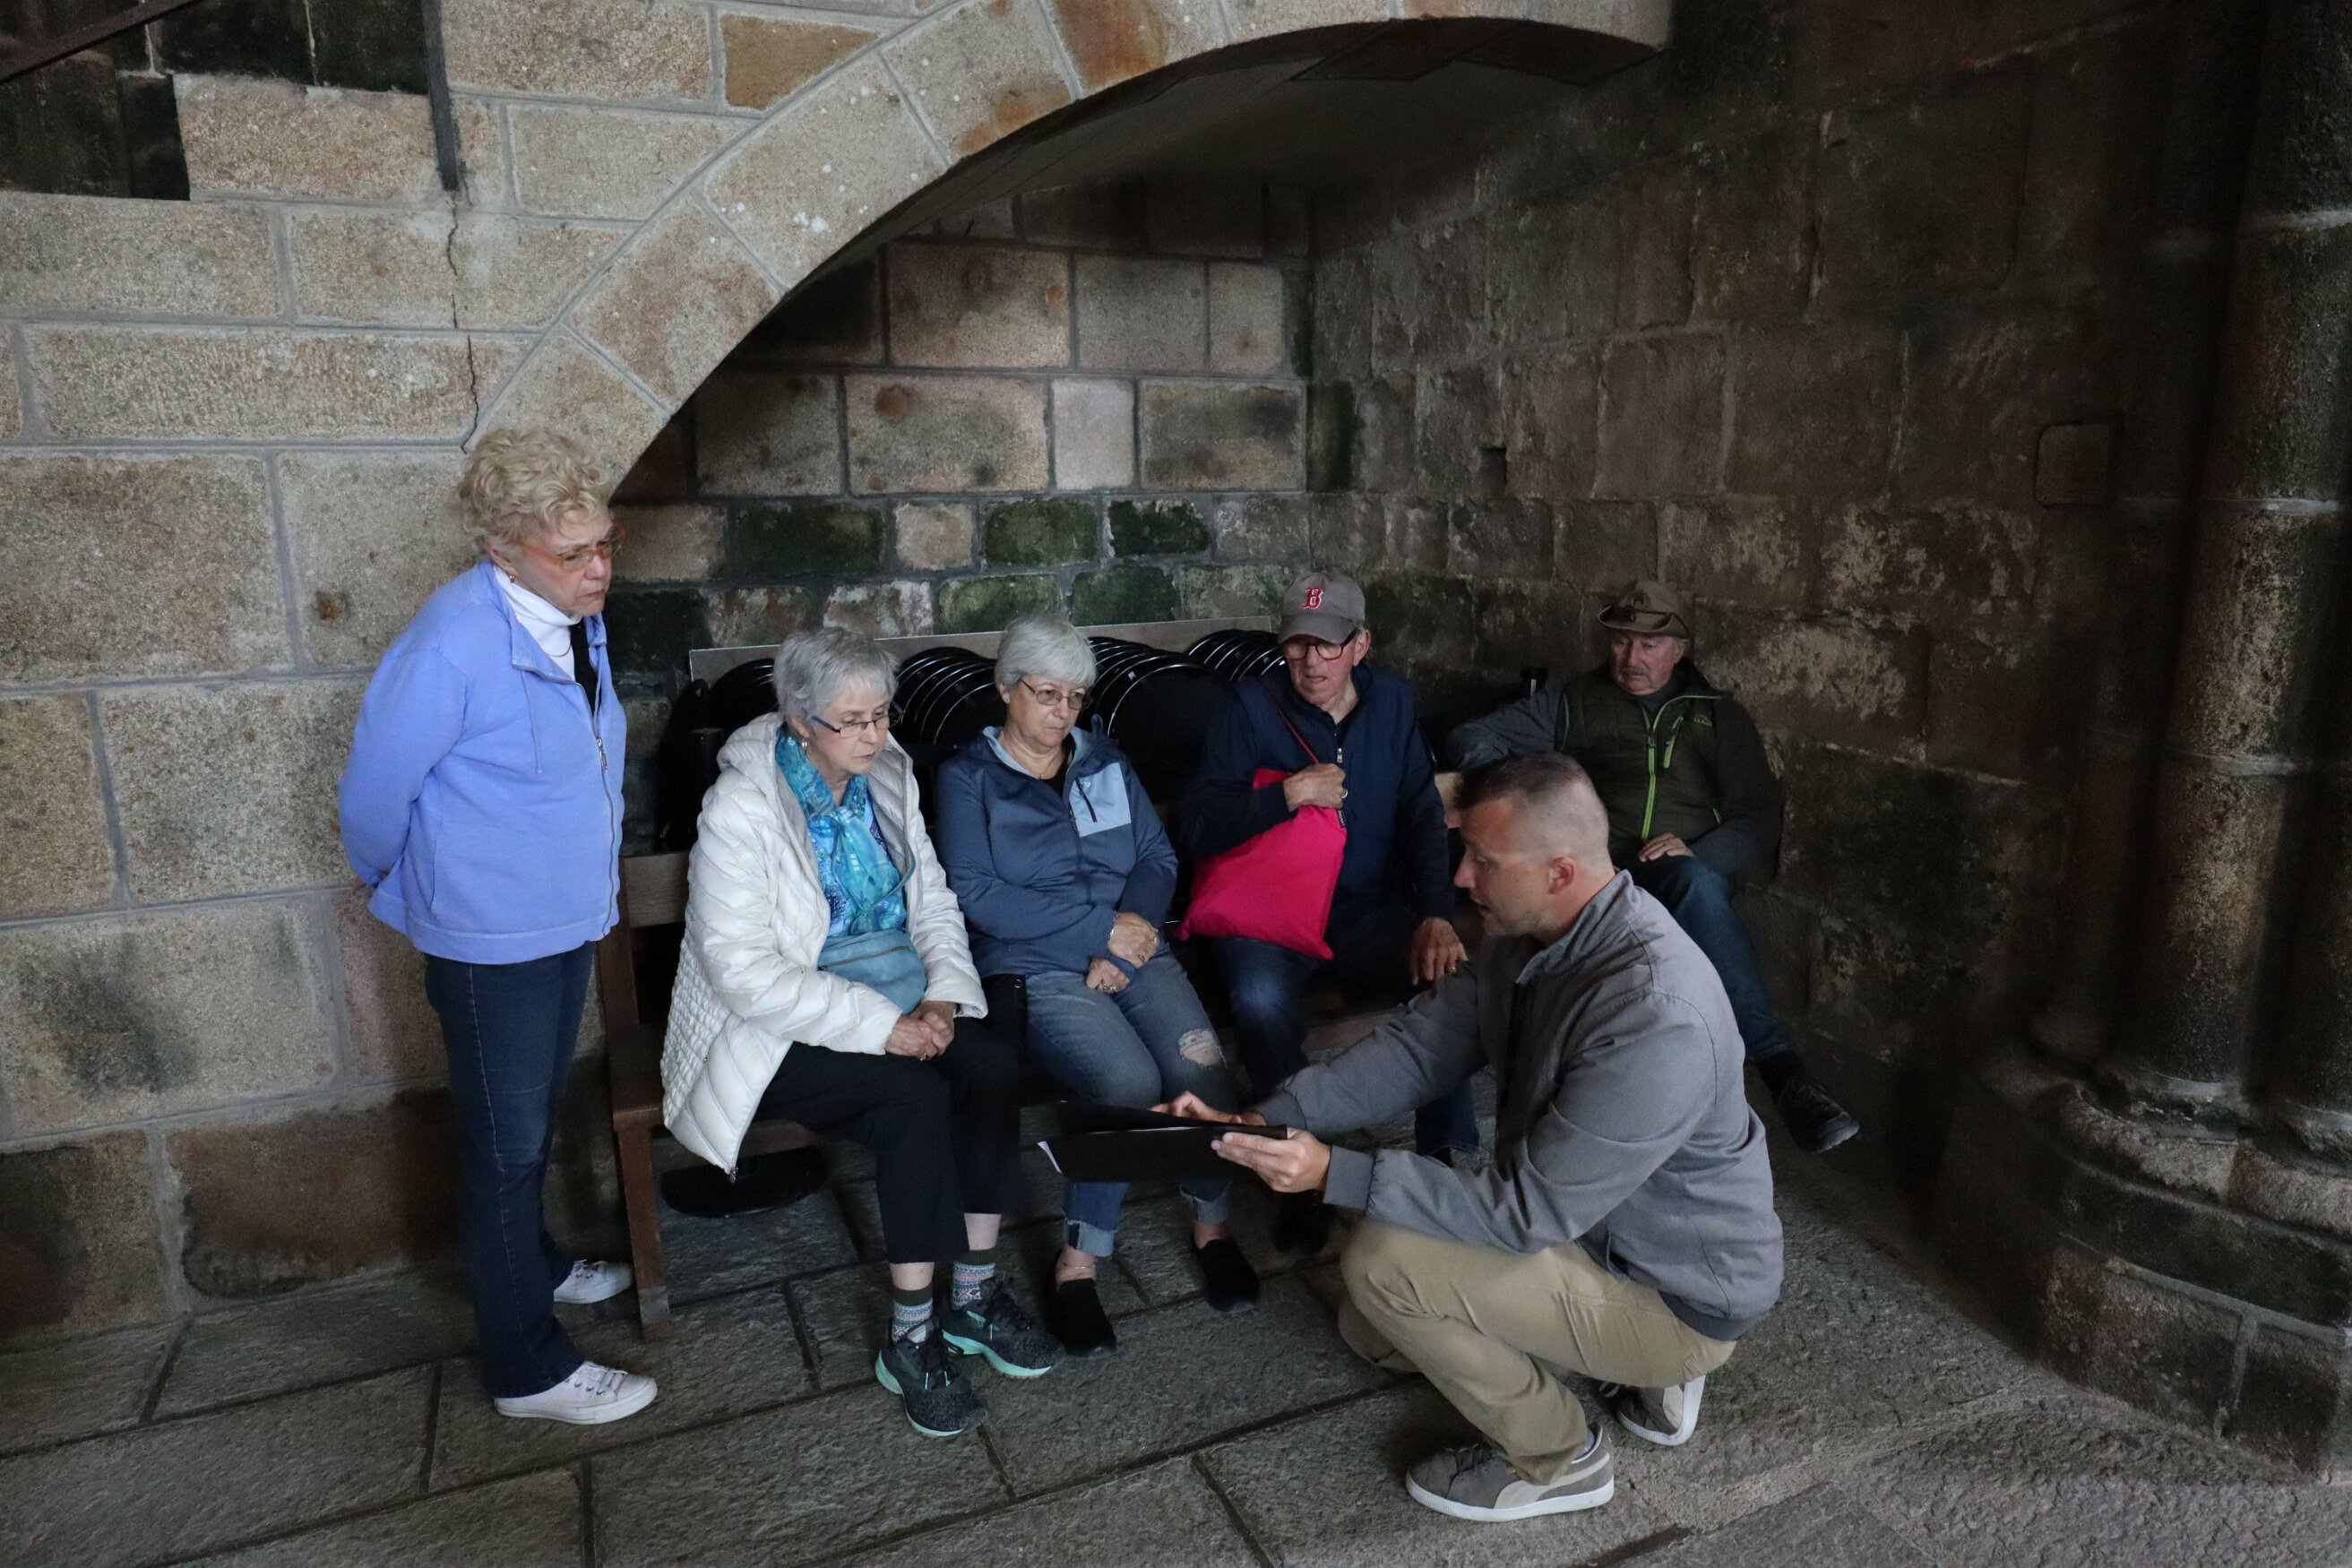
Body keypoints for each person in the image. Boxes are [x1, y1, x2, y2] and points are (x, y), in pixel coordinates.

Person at [1174, 753, 1783, 1522]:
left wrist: (1332, 1172)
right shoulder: (1532, 933)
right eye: (1463, 852)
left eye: (1483, 861)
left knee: (1385, 1263)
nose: (1460, 877)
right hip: (1592, 1226)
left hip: (1673, 1292)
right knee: (1371, 1329)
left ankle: (1560, 1457)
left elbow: (1525, 1213)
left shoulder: (1654, 1012)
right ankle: (1590, 1352)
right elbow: (1418, 1048)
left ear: (1559, 872)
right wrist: (1269, 1118)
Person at [661, 627, 1059, 1438]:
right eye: (852, 721)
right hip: (775, 1026)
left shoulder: (887, 775)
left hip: (901, 998)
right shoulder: (742, 806)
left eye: (882, 715)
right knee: (912, 1099)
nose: (874, 735)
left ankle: (973, 1295)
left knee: (989, 1063)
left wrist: (944, 997)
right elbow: (742, 972)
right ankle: (910, 1336)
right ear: (800, 720)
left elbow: (932, 900)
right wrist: (885, 1029)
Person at [339, 429, 656, 1426]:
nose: (599, 569)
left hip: (563, 914)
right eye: (572, 554)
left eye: (604, 544)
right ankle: (528, 1369)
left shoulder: (568, 616)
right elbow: (373, 797)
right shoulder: (451, 645)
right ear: (501, 551)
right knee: (505, 1146)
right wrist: (418, 885)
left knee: (528, 1112)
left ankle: (538, 1264)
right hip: (492, 936)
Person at [935, 616, 1261, 1356]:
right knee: (1123, 1080)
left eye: (1076, 697)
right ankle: (1079, 1262)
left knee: (1201, 1065)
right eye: (1046, 694)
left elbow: (1154, 857)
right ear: (1006, 689)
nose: (1063, 713)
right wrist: (1097, 931)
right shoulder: (967, 778)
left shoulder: (1103, 761)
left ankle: (1212, 1226)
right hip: (1035, 962)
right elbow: (976, 894)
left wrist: (1129, 939)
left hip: (1132, 948)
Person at [1447, 580, 1860, 1154]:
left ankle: (1783, 1073)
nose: (1631, 658)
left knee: (1692, 884)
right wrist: (1523, 794)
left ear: (1679, 650)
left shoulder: (1717, 718)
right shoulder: (1576, 701)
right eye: (1620, 642)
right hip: (1598, 864)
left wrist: (1700, 852)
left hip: (1682, 871)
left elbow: (1757, 817)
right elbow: (1475, 735)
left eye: (1649, 645)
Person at [1182, 570, 1478, 1256]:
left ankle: (1442, 1159)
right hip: (1269, 914)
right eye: (1295, 645)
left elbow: (1420, 814)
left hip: (1361, 909)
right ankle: (1298, 1174)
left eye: (1327, 645)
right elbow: (1197, 825)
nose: (1310, 661)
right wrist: (1284, 796)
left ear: (1360, 644)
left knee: (1450, 982)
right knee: (1259, 1001)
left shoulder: (1391, 702)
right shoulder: (1248, 708)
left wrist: (1435, 913)